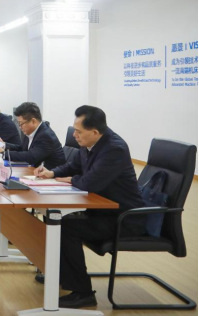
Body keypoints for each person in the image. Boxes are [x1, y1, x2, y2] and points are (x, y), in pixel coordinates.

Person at [34, 105, 144, 309]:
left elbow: (89, 183)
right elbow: (74, 166)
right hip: (102, 211)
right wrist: (53, 173)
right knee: (55, 218)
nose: (73, 135)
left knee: (65, 227)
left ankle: (83, 292)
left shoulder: (114, 149)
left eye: (78, 131)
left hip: (124, 218)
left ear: (94, 132)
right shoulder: (90, 143)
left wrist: (71, 179)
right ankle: (63, 274)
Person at [0, 102, 66, 169]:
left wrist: (3, 154)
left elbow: (31, 157)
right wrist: (4, 145)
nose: (20, 127)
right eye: (18, 124)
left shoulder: (46, 136)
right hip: (35, 172)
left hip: (53, 176)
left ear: (33, 121)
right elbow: (22, 148)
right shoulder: (31, 131)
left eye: (21, 124)